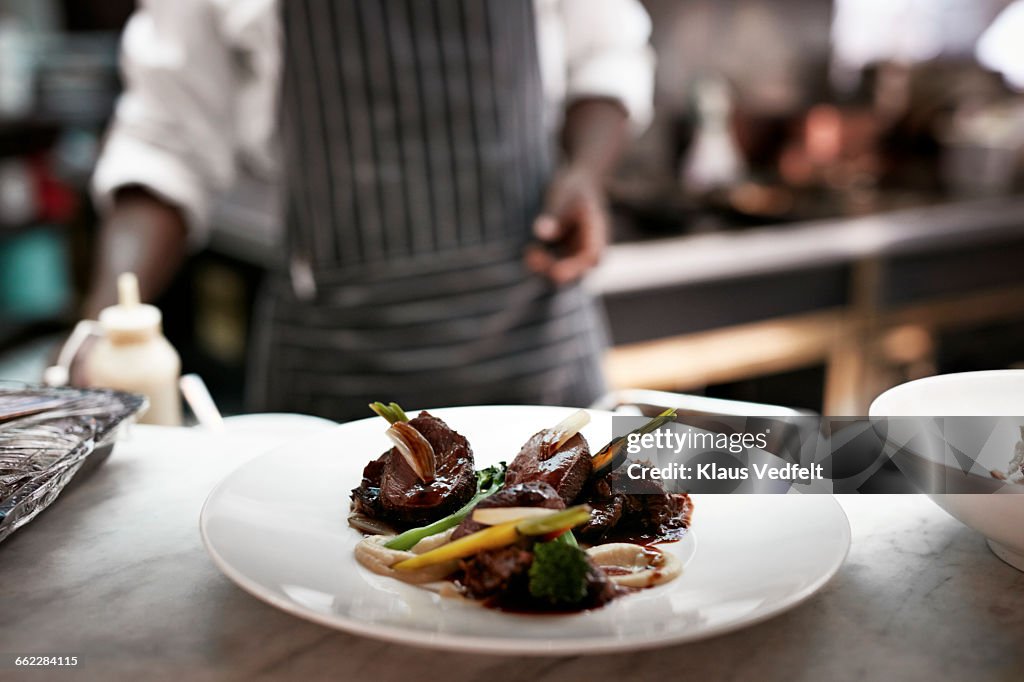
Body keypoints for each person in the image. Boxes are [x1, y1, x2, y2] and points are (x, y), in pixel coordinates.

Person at [86, 0, 654, 421]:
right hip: (334, 365)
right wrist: (97, 332)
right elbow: (166, 140)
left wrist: (584, 174)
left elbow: (605, 52)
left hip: (534, 337)